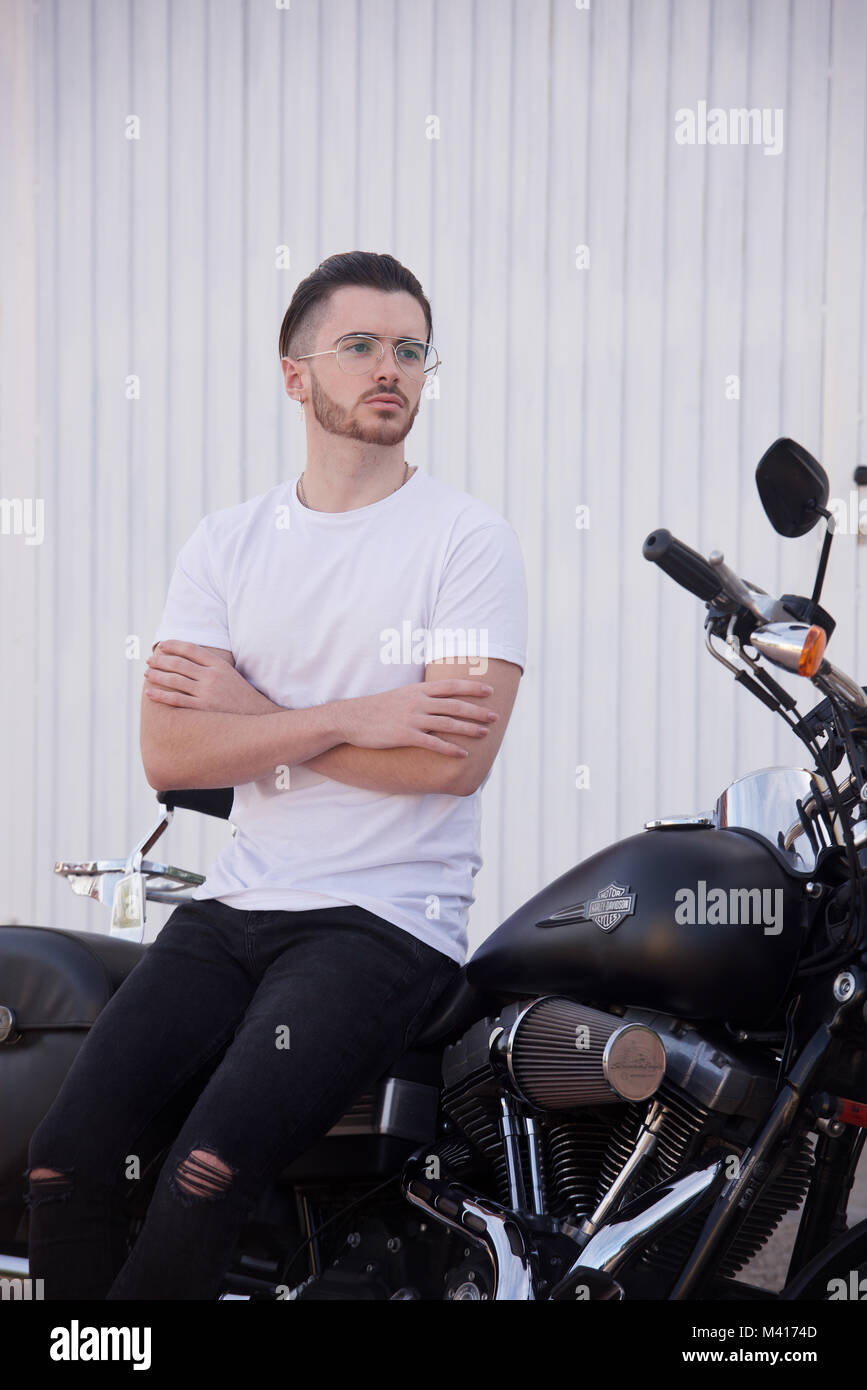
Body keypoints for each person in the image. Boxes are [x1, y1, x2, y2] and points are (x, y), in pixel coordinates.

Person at [25, 250, 528, 1299]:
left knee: (206, 1175)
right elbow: (172, 756)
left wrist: (255, 718)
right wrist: (362, 712)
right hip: (238, 904)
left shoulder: (468, 541)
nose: (390, 367)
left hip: (386, 921)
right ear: (295, 375)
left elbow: (452, 759)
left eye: (410, 349)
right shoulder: (227, 544)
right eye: (359, 346)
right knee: (62, 1160)